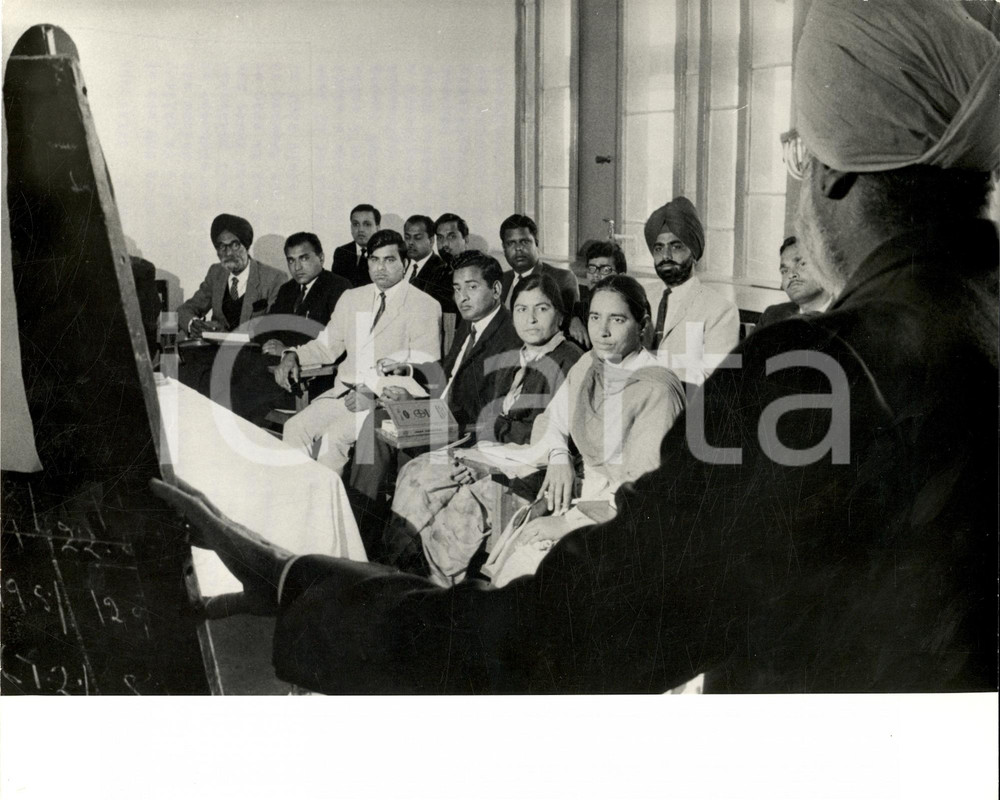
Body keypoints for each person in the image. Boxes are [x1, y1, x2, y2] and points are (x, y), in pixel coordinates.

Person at [153, 0, 998, 694]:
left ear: (835, 173)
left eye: (796, 158)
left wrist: (305, 587)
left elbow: (576, 633)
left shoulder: (810, 375)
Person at [386, 273, 584, 585]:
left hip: (530, 473)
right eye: (521, 309)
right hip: (486, 453)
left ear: (560, 315)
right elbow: (490, 419)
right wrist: (474, 450)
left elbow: (549, 438)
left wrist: (485, 458)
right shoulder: (514, 355)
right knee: (414, 473)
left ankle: (440, 591)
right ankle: (404, 575)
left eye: (542, 309)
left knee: (463, 506)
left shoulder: (571, 361)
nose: (530, 319)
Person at [348, 250, 523, 566]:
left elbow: (488, 410)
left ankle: (361, 540)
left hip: (463, 433)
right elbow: (450, 373)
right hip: (442, 417)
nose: (461, 297)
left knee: (377, 430)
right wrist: (411, 377)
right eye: (456, 288)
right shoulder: (472, 325)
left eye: (471, 287)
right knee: (376, 418)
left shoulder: (508, 336)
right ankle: (361, 534)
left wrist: (425, 414)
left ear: (496, 290)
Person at [277, 229, 441, 475]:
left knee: (332, 441)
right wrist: (293, 355)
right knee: (293, 428)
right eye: (374, 260)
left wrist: (373, 392)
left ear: (405, 264)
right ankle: (300, 504)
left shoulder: (423, 305)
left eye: (389, 260)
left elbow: (424, 370)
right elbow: (326, 346)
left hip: (384, 404)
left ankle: (328, 509)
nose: (380, 268)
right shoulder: (353, 298)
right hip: (344, 395)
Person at [225, 232, 351, 426]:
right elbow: (268, 327)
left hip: (311, 377)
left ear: (321, 257)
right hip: (278, 372)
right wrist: (270, 342)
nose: (297, 267)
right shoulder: (288, 289)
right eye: (291, 261)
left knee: (237, 393)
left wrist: (285, 350)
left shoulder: (339, 288)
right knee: (232, 373)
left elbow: (330, 341)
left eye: (304, 258)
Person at [643, 197, 739, 384]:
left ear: (694, 252)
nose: (666, 256)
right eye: (658, 248)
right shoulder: (639, 296)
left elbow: (716, 380)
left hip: (689, 408)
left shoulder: (720, 310)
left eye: (676, 246)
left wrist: (648, 366)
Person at [176, 213, 285, 337]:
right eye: (222, 246)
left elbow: (275, 326)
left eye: (235, 245)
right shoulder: (216, 273)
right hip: (215, 352)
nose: (228, 252)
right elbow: (184, 310)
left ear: (246, 246)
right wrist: (193, 323)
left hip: (254, 352)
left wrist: (228, 337)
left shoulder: (274, 278)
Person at [498, 214, 580, 335]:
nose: (518, 248)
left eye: (524, 242)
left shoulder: (561, 278)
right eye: (511, 243)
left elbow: (570, 321)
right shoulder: (500, 280)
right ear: (504, 248)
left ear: (536, 244)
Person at [758, 236, 833, 327]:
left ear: (824, 267)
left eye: (802, 264)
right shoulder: (771, 317)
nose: (791, 274)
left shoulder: (850, 317)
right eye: (784, 271)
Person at [572, 239, 627, 349]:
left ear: (621, 276)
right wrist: (573, 320)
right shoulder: (582, 306)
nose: (596, 275)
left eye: (605, 270)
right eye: (592, 268)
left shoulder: (631, 308)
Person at [404, 214, 456, 314]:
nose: (410, 242)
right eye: (407, 237)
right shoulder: (400, 263)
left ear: (431, 241)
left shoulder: (443, 271)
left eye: (417, 238)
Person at [331, 204, 381, 287]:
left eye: (367, 224)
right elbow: (336, 287)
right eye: (356, 224)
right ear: (351, 227)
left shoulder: (384, 253)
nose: (360, 229)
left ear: (378, 228)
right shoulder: (341, 252)